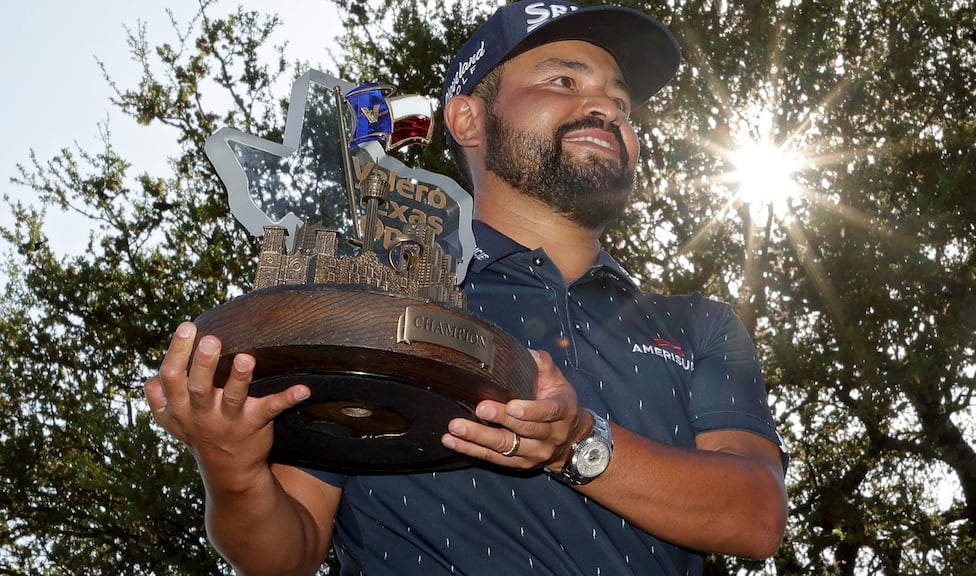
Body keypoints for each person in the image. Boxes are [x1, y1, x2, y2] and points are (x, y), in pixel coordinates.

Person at [145, 2, 789, 574]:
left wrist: (577, 444)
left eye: (620, 102)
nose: (604, 108)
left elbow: (756, 517)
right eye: (563, 80)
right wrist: (231, 469)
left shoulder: (699, 324)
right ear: (468, 118)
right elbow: (290, 549)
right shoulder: (377, 297)